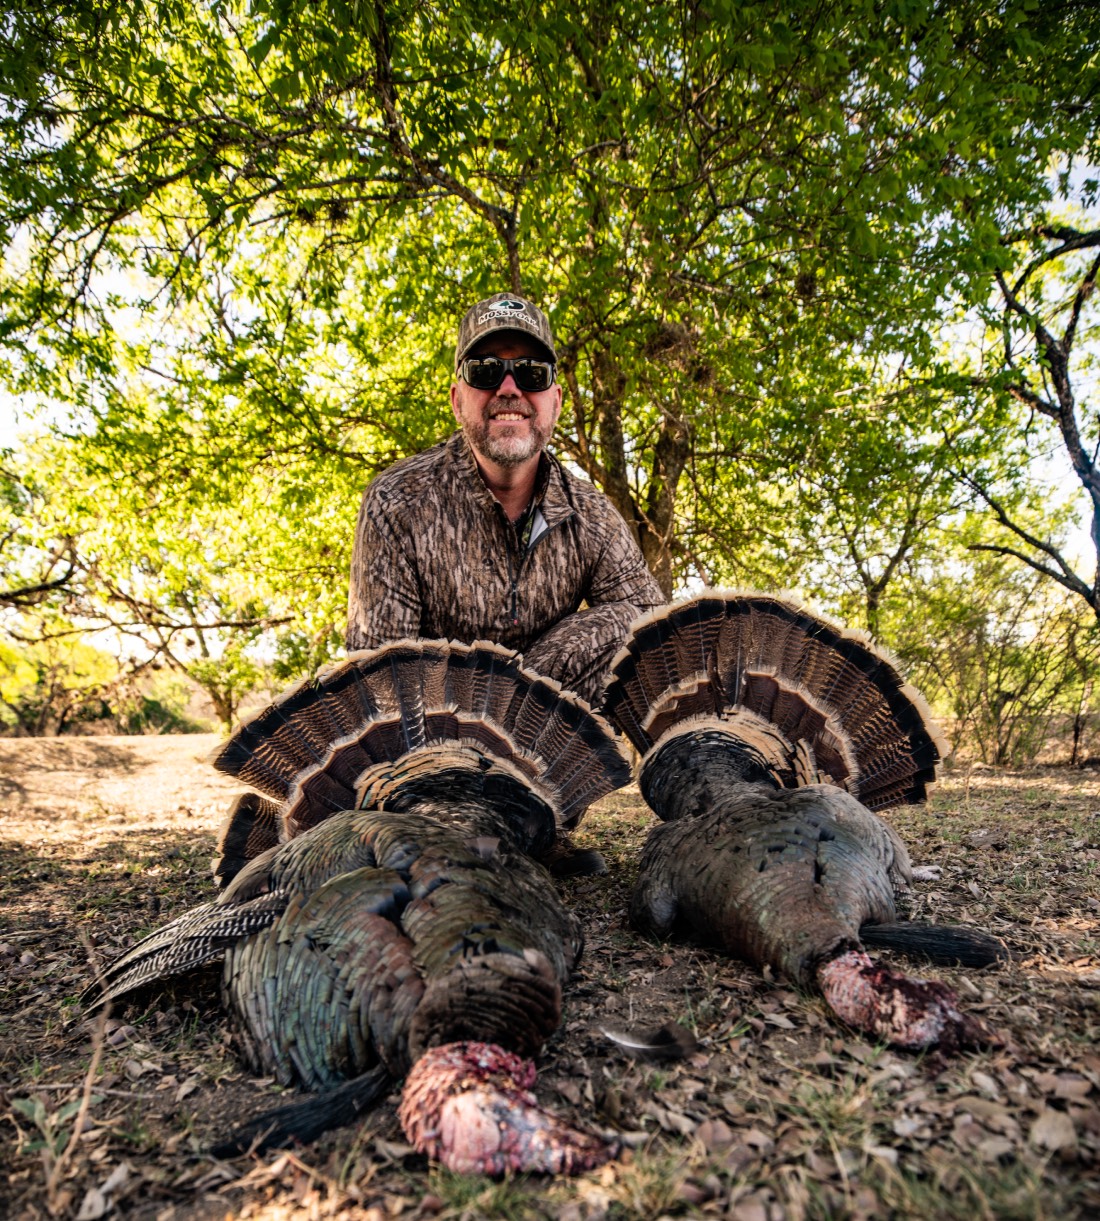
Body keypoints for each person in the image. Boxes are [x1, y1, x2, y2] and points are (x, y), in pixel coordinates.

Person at [346, 291, 663, 708]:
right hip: (434, 754)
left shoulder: (593, 517)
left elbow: (660, 652)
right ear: (458, 400)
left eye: (532, 373)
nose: (509, 388)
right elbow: (380, 684)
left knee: (636, 624)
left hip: (551, 756)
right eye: (486, 371)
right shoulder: (396, 502)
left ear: (556, 401)